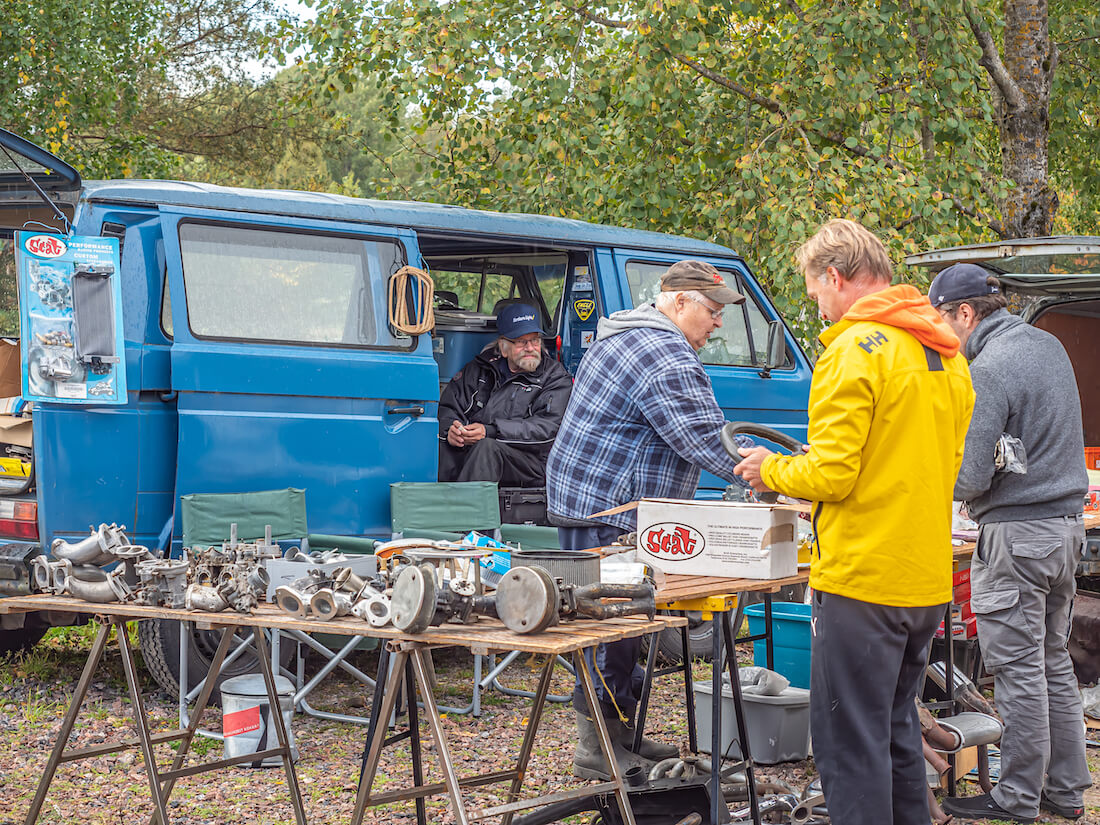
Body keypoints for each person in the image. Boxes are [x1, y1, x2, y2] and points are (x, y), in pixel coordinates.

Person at [734, 219, 974, 825]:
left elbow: (833, 474)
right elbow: (946, 468)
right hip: (924, 578)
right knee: (895, 733)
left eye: (815, 293)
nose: (817, 306)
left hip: (863, 579)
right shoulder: (946, 354)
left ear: (836, 279)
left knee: (848, 745)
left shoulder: (853, 349)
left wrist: (774, 470)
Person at [545, 259, 751, 780]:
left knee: (624, 627)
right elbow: (704, 436)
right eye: (712, 310)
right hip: (610, 509)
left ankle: (621, 736)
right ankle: (598, 749)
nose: (718, 322)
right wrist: (783, 473)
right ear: (679, 301)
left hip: (594, 499)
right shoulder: (661, 351)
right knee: (613, 626)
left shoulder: (627, 331)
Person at [929, 263, 1090, 823]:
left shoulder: (988, 369)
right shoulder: (1047, 344)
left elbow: (969, 479)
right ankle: (1067, 791)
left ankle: (1017, 795)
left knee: (1019, 671)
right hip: (1066, 530)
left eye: (941, 321)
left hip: (1017, 536)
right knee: (1052, 664)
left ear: (965, 314)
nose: (939, 334)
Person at [437, 302, 572, 486]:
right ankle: (431, 509)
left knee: (487, 448)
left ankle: (463, 514)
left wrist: (490, 431)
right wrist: (451, 432)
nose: (531, 348)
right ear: (503, 347)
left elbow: (547, 429)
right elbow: (448, 408)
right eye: (522, 342)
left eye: (535, 340)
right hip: (476, 451)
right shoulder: (479, 369)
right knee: (440, 446)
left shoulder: (555, 377)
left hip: (531, 463)